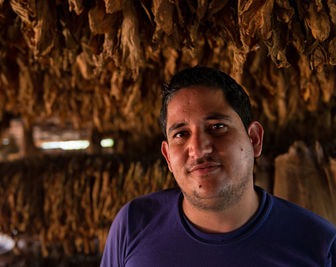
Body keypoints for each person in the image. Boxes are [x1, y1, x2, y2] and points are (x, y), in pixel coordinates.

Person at [100, 66, 336, 266]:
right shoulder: (133, 225)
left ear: (254, 139)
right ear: (168, 157)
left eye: (217, 127)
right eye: (181, 134)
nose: (199, 149)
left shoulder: (319, 245)